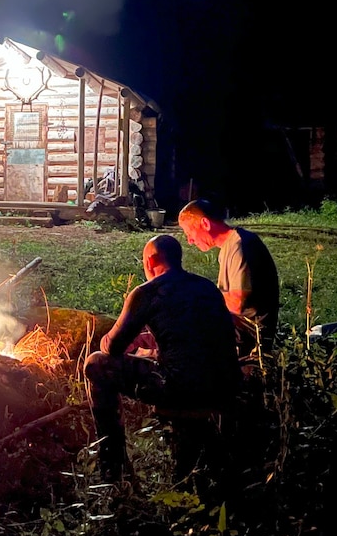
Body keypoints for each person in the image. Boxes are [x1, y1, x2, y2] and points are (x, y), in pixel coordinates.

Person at [84, 234, 239, 486]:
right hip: (224, 384)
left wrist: (109, 340)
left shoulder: (148, 292)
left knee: (96, 364)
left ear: (151, 259)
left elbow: (112, 346)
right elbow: (192, 341)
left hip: (180, 387)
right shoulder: (205, 287)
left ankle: (113, 464)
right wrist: (154, 347)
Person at [177, 198, 280, 378]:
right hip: (238, 326)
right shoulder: (228, 247)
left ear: (205, 223)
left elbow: (237, 303)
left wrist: (201, 295)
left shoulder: (240, 246)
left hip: (250, 333)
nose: (190, 241)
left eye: (189, 233)